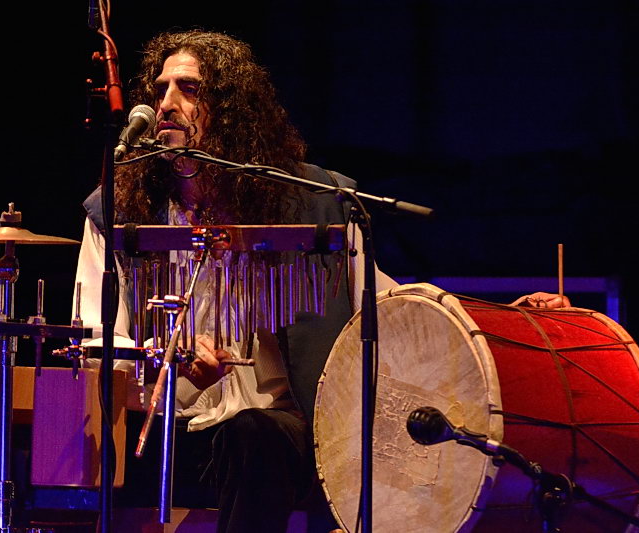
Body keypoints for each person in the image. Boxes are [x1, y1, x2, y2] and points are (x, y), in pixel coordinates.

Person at [73, 29, 396, 533]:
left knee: (251, 433)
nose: (165, 104)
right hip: (163, 429)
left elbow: (390, 307)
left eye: (189, 89)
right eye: (160, 89)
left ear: (233, 110)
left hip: (284, 436)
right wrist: (164, 363)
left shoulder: (315, 201)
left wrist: (499, 314)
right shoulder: (118, 210)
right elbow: (94, 343)